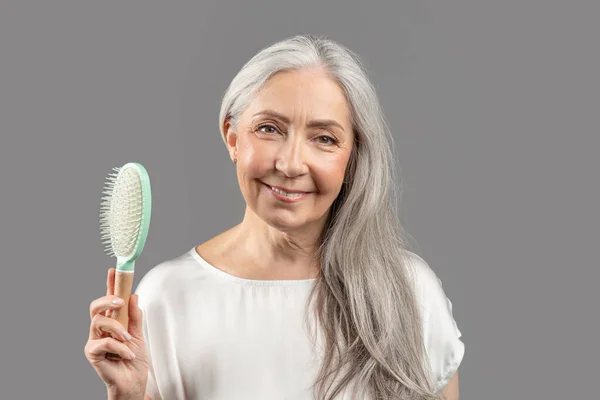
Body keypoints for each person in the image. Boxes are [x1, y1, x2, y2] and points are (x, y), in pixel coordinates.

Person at [85, 34, 464, 400]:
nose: (290, 163)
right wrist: (128, 396)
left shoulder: (410, 292)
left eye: (324, 139)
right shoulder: (167, 297)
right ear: (233, 138)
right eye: (269, 129)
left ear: (353, 157)